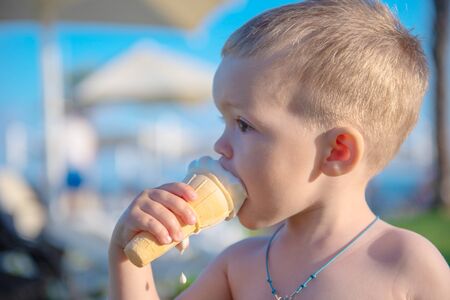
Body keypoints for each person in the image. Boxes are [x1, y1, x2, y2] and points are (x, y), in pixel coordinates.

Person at [108, 1, 450, 299]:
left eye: (243, 124)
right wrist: (125, 255)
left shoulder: (408, 266)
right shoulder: (237, 267)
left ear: (336, 152)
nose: (219, 145)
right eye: (222, 121)